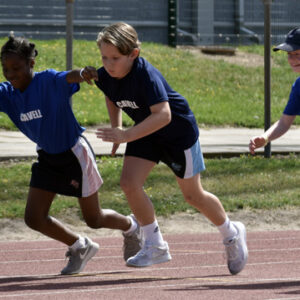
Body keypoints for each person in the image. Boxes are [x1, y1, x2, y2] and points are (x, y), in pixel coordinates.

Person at [94, 22, 248, 275]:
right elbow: (110, 94)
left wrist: (126, 134)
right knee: (129, 183)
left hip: (178, 134)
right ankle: (155, 245)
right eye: (104, 57)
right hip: (146, 130)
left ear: (134, 54)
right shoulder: (106, 75)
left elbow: (164, 115)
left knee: (193, 196)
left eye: (115, 58)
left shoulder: (146, 75)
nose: (109, 64)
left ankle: (231, 233)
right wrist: (116, 131)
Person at [0, 35, 141, 275]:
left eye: (16, 68)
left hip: (74, 154)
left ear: (31, 64)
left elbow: (70, 76)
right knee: (34, 218)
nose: (11, 74)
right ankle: (80, 246)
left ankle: (131, 226)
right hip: (47, 157)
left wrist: (84, 73)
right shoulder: (7, 94)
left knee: (94, 219)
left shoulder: (47, 81)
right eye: (5, 69)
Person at [249, 27, 300, 155]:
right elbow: (284, 122)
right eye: (289, 54)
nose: (292, 59)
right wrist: (265, 137)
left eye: (297, 54)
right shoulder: (298, 86)